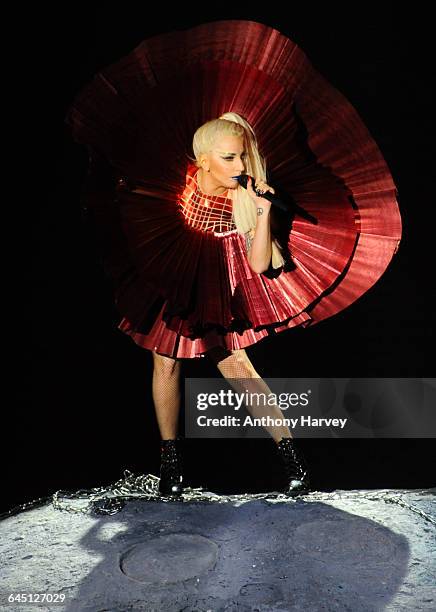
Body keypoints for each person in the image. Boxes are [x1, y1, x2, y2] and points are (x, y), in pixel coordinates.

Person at [66, 19, 401, 500]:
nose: (241, 167)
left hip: (217, 284)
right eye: (229, 158)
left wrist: (263, 214)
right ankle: (171, 470)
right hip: (172, 270)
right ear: (202, 160)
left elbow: (262, 266)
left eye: (243, 157)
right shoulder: (175, 177)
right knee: (165, 365)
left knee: (238, 366)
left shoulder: (245, 200)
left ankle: (294, 463)